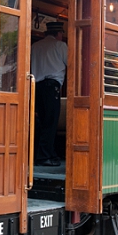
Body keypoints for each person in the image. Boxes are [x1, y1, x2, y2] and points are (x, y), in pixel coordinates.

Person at [31, 21, 68, 166]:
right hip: (52, 86)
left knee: (41, 121)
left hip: (37, 86)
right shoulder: (60, 46)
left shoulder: (35, 46)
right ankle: (45, 156)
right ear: (59, 34)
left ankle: (43, 153)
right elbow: (71, 62)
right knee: (51, 122)